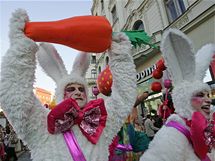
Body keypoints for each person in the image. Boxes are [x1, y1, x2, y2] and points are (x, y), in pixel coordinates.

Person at [0, 9, 137, 161]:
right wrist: (21, 47)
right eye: (71, 89)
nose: (78, 92)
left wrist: (121, 55)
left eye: (81, 89)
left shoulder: (99, 123)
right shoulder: (43, 124)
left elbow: (124, 98)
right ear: (60, 94)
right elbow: (15, 98)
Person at [140, 29, 215, 161]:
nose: (208, 100)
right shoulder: (172, 134)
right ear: (185, 99)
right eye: (200, 95)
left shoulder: (210, 124)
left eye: (207, 95)